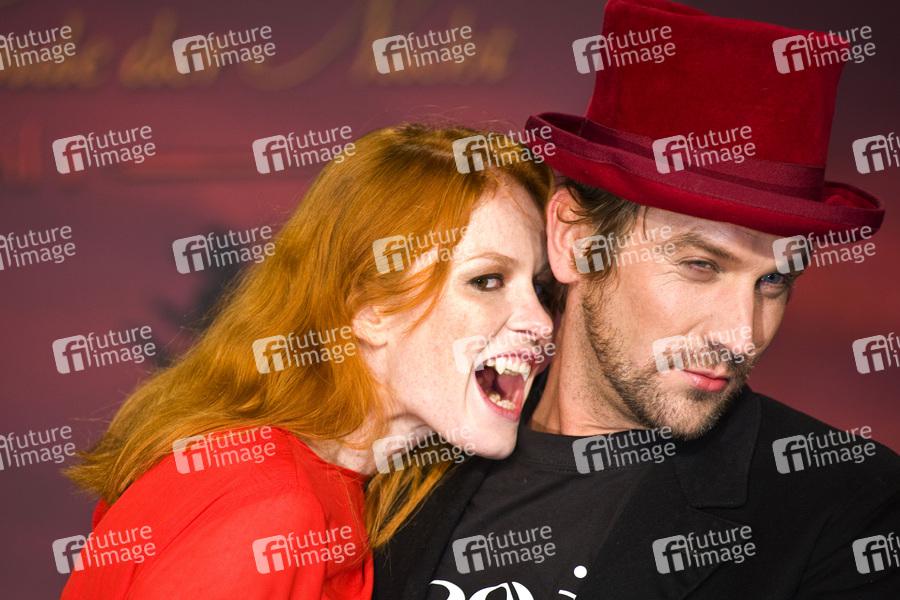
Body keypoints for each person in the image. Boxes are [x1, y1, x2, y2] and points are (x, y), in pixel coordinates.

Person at [372, 1, 900, 599]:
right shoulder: (413, 447)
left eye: (774, 281)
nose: (742, 335)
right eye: (701, 265)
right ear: (575, 241)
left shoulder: (850, 508)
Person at [59, 124, 555, 599]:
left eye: (538, 286)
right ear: (370, 309)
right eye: (487, 281)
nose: (542, 323)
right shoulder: (270, 508)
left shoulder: (321, 488)